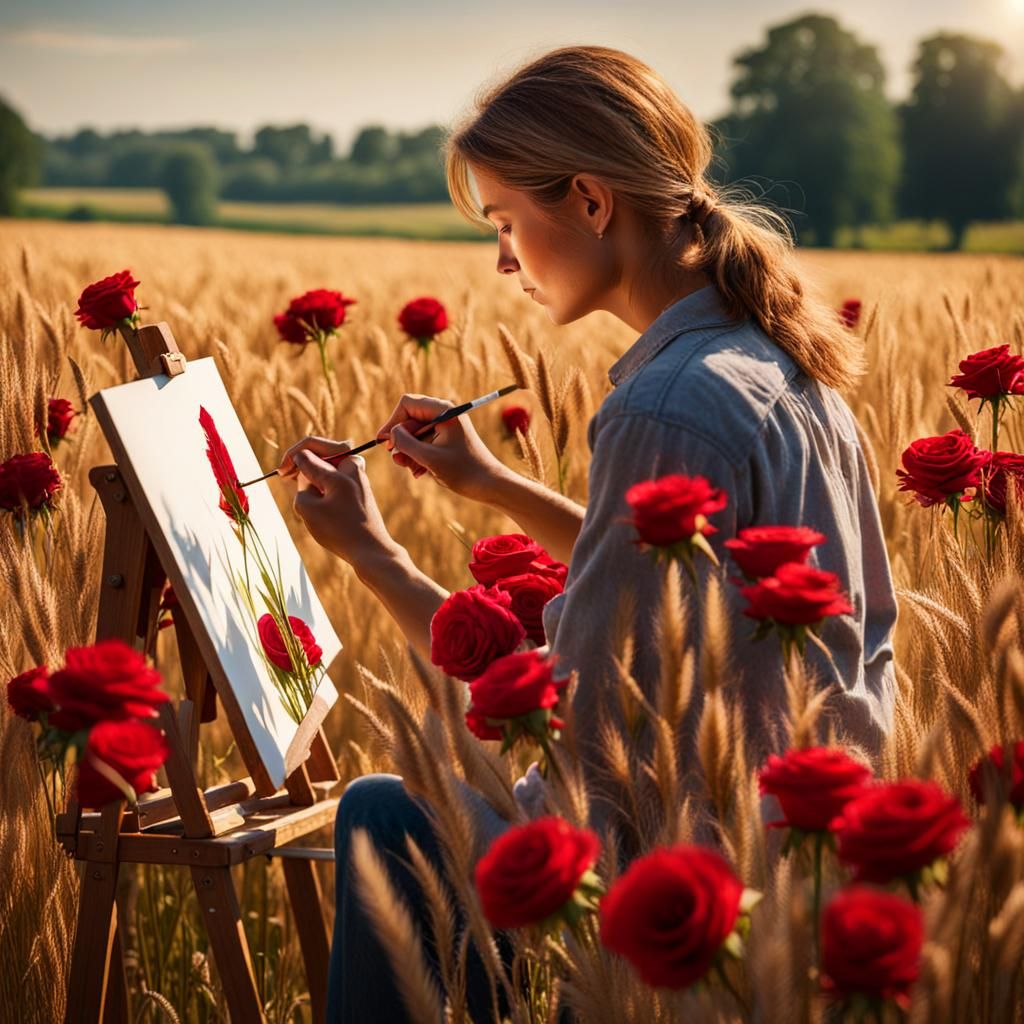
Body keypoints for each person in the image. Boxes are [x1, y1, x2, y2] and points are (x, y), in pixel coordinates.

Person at [278, 44, 898, 1023]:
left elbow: (581, 726)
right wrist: (494, 484)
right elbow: (692, 587)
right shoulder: (776, 360)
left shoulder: (664, 405)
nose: (502, 260)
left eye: (506, 223)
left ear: (591, 201)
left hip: (685, 902)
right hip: (806, 874)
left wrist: (371, 554)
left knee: (381, 813)